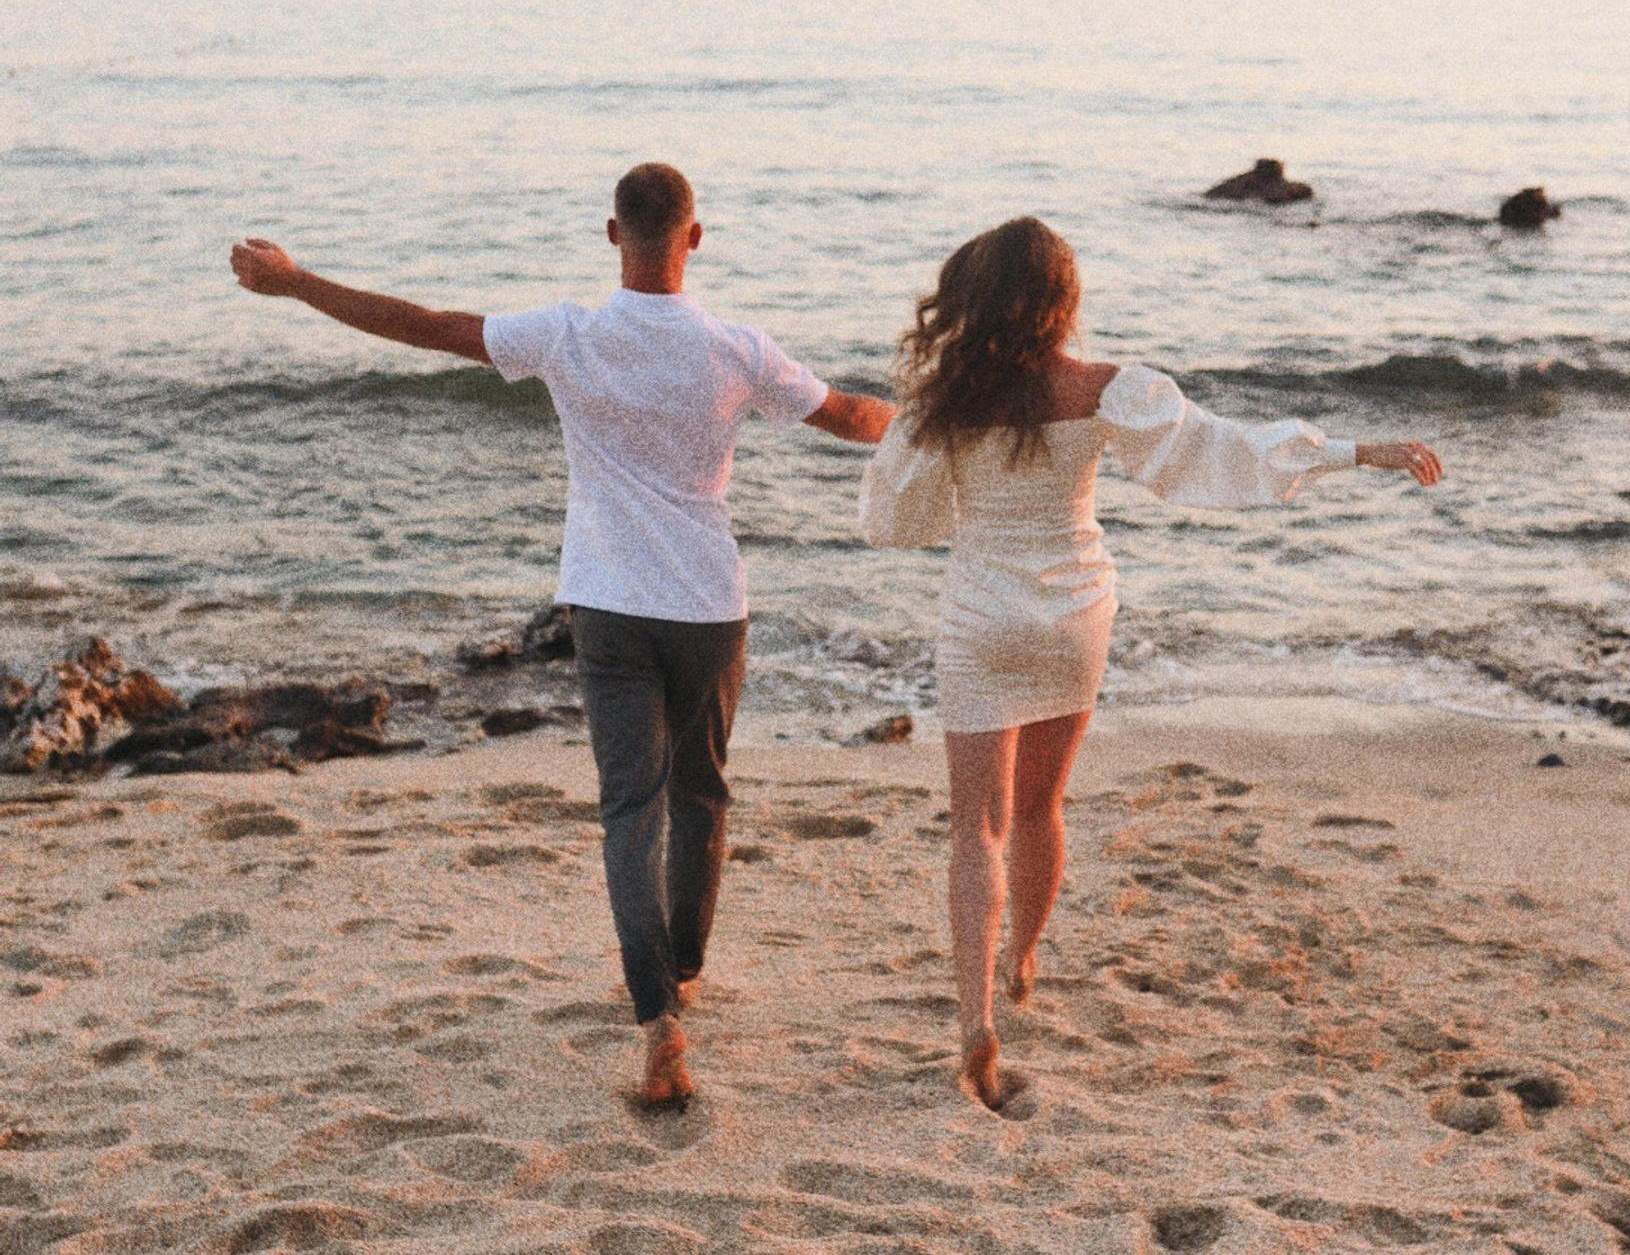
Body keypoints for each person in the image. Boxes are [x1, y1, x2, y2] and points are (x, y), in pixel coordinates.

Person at [230, 163, 892, 1110]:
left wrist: (296, 283)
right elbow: (851, 419)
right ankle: (689, 973)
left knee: (632, 807)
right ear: (695, 239)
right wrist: (945, 421)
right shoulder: (738, 351)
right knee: (701, 796)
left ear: (613, 235)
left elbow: (423, 325)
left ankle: (657, 1018)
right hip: (709, 607)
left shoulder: (568, 336)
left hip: (610, 606)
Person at [859, 217, 1441, 1110]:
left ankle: (975, 1016)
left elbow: (897, 519)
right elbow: (1221, 453)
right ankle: (1022, 957)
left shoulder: (947, 398)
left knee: (976, 825)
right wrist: (1356, 452)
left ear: (971, 295)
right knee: (1042, 807)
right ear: (1064, 300)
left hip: (981, 615)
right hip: (1074, 611)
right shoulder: (1110, 389)